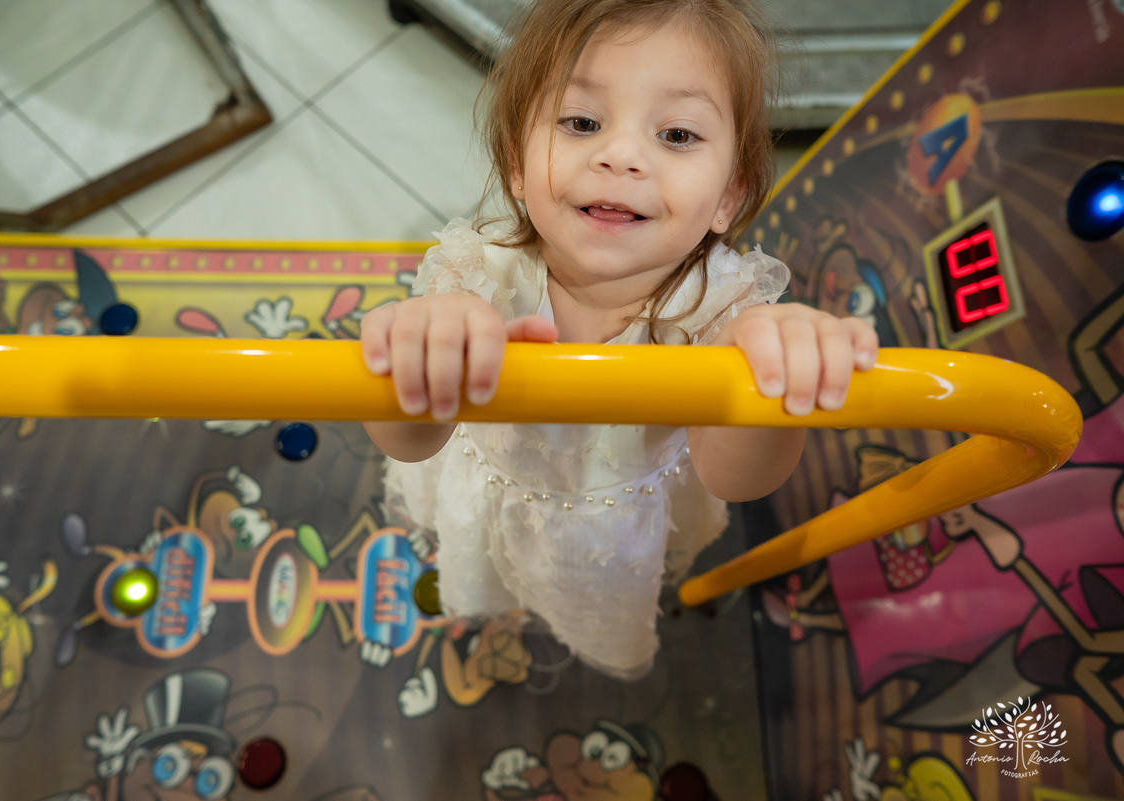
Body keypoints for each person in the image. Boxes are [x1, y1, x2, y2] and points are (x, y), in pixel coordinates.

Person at [360, 0, 877, 679]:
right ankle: (495, 611)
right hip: (486, 494)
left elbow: (737, 478)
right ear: (516, 163)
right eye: (582, 122)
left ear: (730, 194)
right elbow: (406, 440)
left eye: (678, 135)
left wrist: (771, 378)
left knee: (585, 603)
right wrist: (420, 354)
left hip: (610, 537)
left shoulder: (723, 313)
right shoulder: (476, 276)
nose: (622, 156)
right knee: (484, 573)